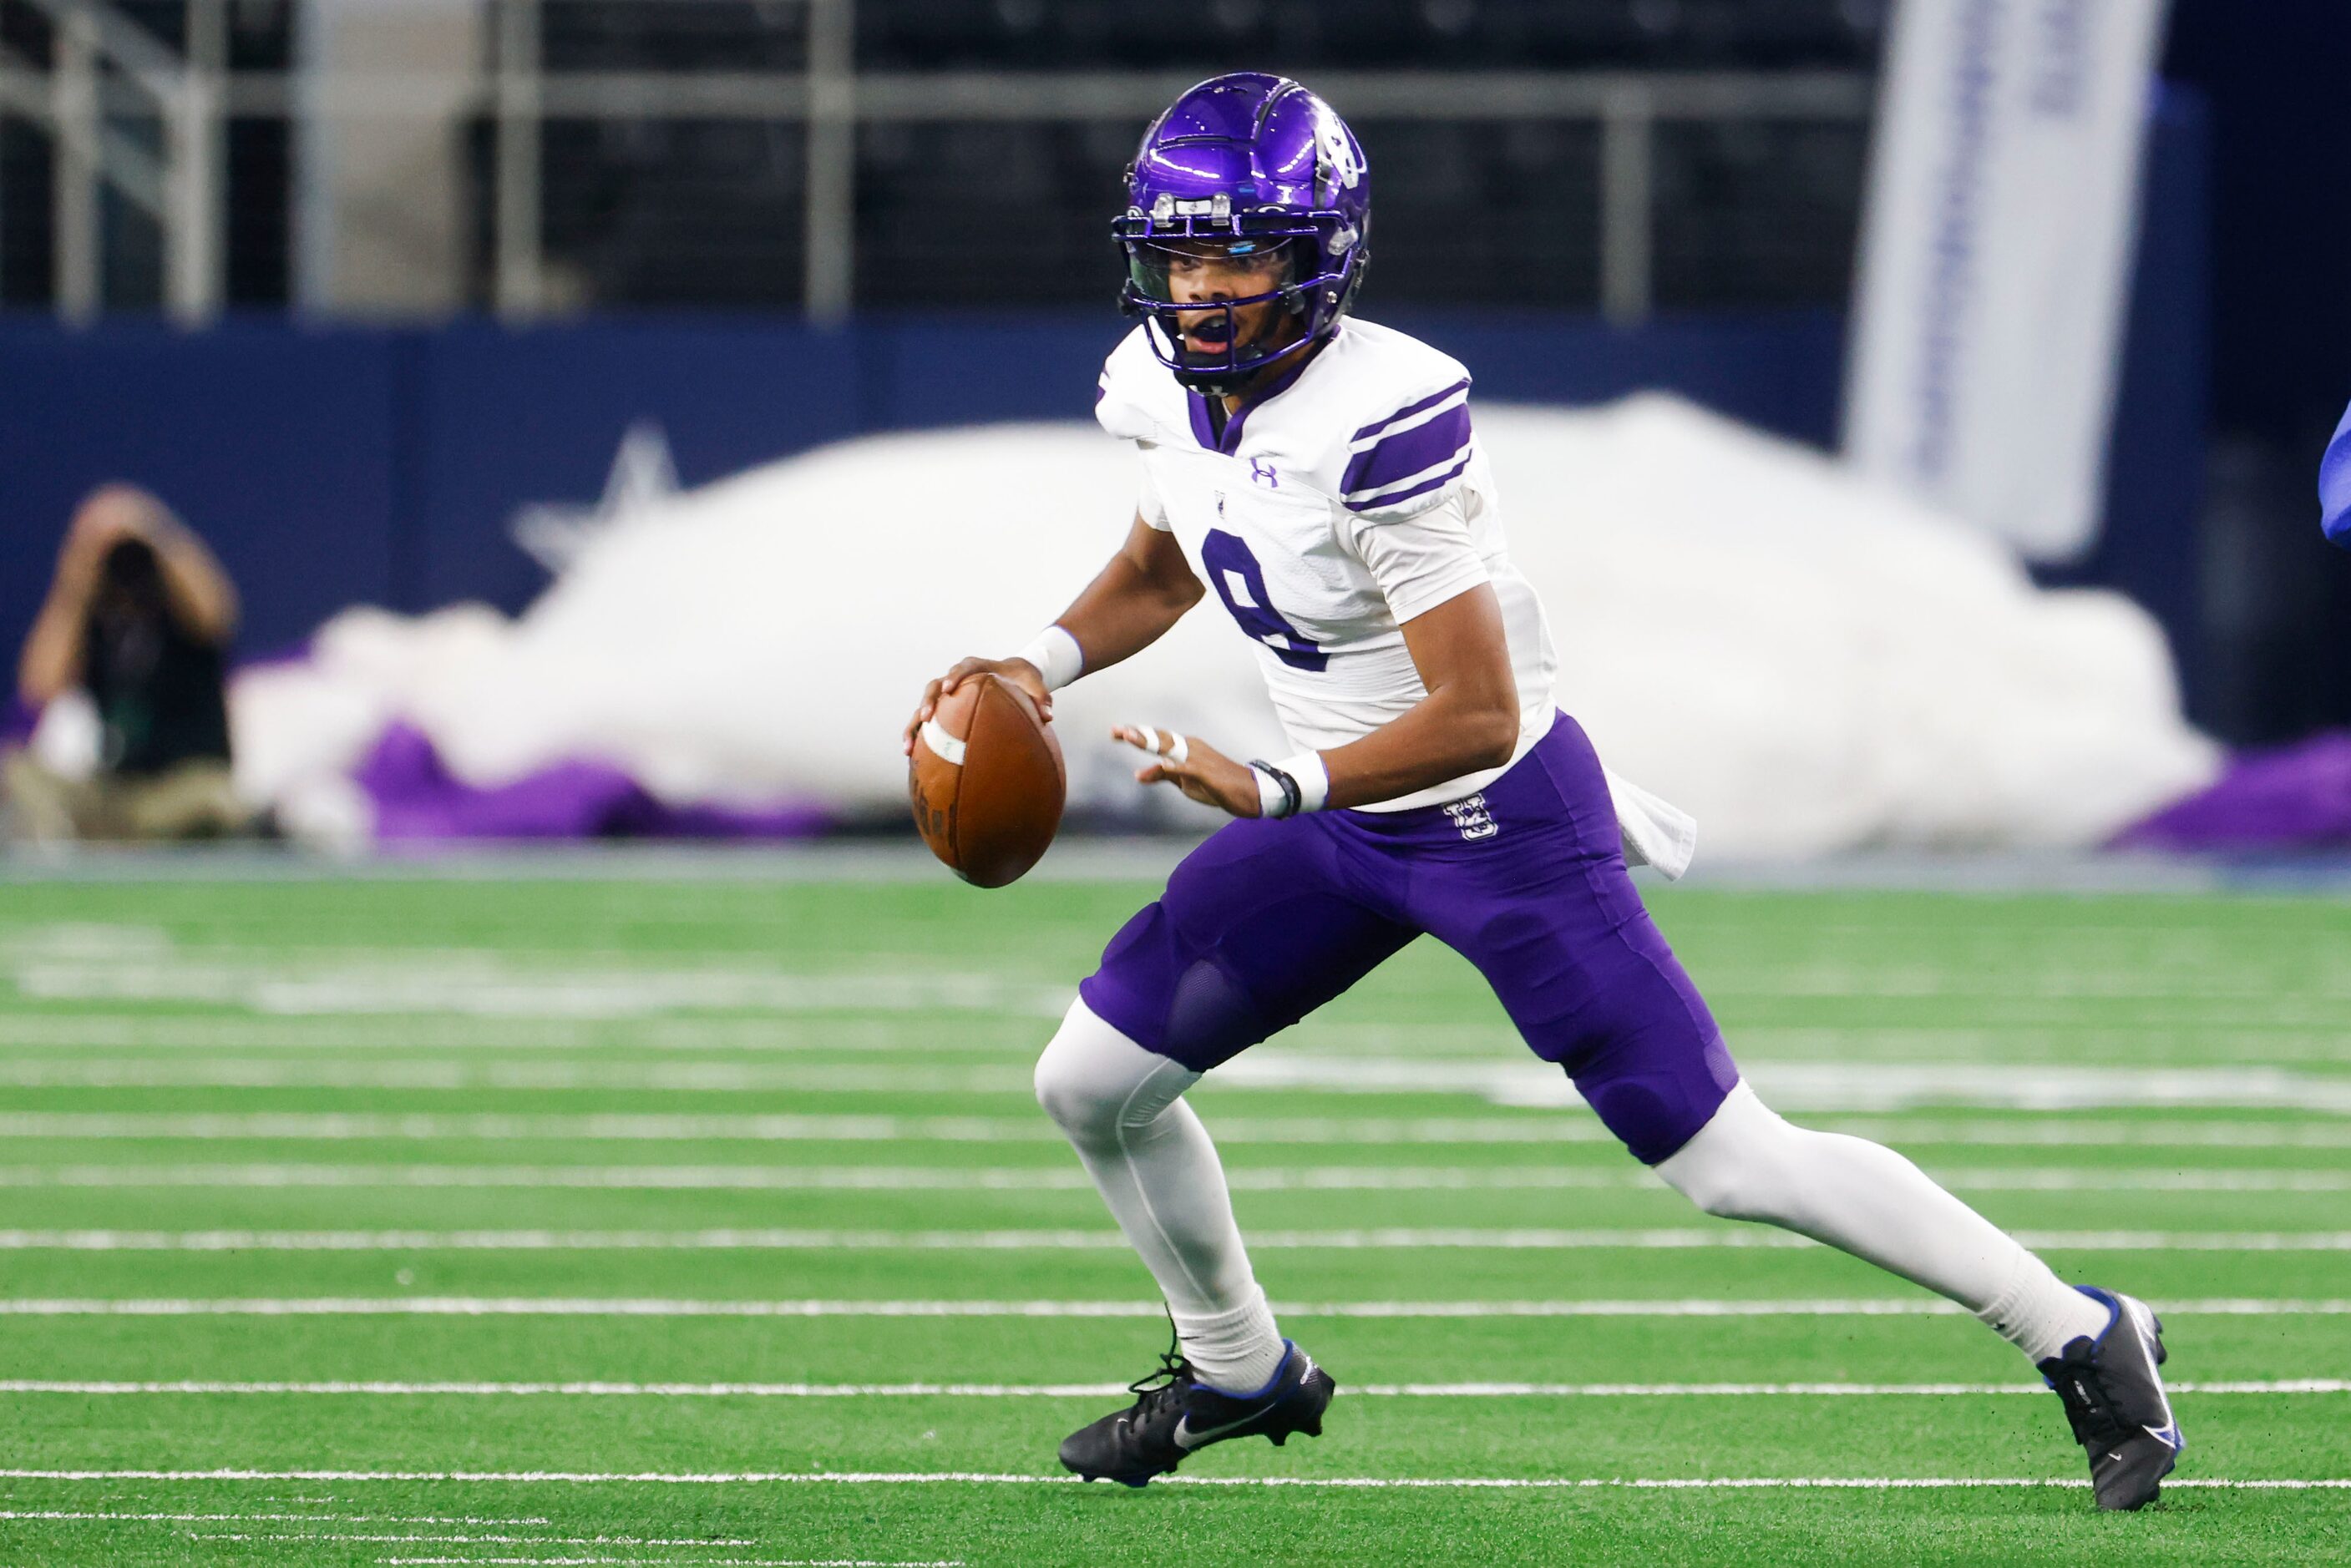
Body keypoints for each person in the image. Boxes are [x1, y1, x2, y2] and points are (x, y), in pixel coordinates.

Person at [903, 73, 2182, 1510]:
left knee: (1726, 1158)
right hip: (1331, 819)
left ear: (1321, 253)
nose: (1202, 288)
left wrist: (1273, 783)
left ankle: (2079, 1328)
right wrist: (1036, 664)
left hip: (1490, 820)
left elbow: (1477, 708)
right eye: (1183, 252)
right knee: (1093, 1081)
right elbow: (1163, 562)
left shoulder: (1384, 415)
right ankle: (1239, 1365)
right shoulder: (1160, 385)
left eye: (1241, 253)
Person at [6, 484, 249, 842]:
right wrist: (80, 569)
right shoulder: (93, 620)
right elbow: (39, 687)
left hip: (182, 787)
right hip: (116, 791)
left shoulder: (181, 614)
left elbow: (218, 613)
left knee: (217, 802)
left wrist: (150, 530)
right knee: (17, 772)